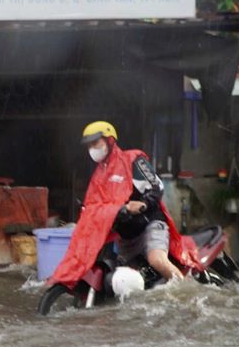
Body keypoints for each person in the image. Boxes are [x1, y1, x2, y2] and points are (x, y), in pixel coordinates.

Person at [50, 121, 198, 288]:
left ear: (110, 141)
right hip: (126, 237)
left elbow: (158, 187)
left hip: (150, 225)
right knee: (118, 278)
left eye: (95, 143)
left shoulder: (133, 160)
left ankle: (188, 292)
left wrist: (142, 203)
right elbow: (94, 205)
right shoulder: (99, 175)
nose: (92, 148)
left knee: (156, 260)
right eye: (89, 145)